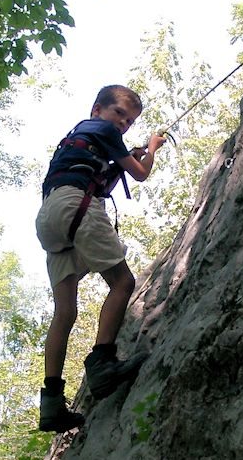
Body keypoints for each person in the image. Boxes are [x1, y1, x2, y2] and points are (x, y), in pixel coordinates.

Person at [35, 84, 168, 432]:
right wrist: (151, 149)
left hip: (50, 216)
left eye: (130, 121)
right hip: (76, 205)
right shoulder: (104, 130)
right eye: (119, 114)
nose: (123, 124)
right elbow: (140, 174)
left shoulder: (82, 137)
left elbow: (103, 176)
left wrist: (122, 157)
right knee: (123, 282)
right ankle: (102, 361)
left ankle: (51, 403)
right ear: (98, 109)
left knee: (65, 311)